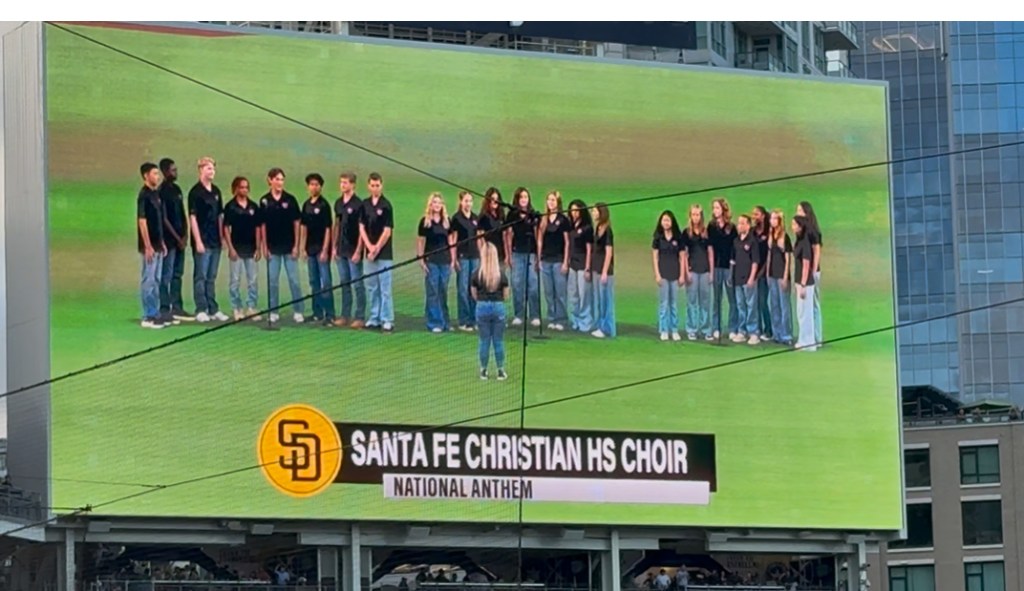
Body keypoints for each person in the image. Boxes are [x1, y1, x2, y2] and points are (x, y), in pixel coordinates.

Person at [260, 167, 305, 324]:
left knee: (294, 280)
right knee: (272, 281)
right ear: (270, 180)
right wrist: (264, 247)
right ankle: (273, 311)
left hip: (289, 247)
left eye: (282, 179)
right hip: (273, 248)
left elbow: (297, 223)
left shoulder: (290, 200)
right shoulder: (264, 201)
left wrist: (296, 246)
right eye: (277, 179)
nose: (280, 182)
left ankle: (298, 310)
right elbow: (263, 225)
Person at [188, 156, 227, 323]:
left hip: (215, 240)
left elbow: (220, 216)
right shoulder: (195, 192)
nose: (212, 171)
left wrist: (223, 237)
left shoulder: (216, 191)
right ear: (201, 170)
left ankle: (213, 308)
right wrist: (198, 241)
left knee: (211, 276)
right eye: (209, 168)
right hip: (202, 240)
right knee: (201, 276)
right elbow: (193, 217)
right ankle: (201, 308)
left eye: (213, 168)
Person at [223, 176, 262, 321]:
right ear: (236, 189)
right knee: (235, 280)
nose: (244, 190)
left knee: (253, 280)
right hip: (236, 248)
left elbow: (258, 227)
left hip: (251, 248)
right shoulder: (230, 207)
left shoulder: (253, 206)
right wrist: (230, 248)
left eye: (246, 187)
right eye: (241, 187)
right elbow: (226, 228)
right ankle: (236, 308)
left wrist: (258, 247)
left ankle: (251, 307)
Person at [360, 172, 395, 332]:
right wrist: (369, 246)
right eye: (372, 185)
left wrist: (376, 248)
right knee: (372, 287)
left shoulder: (386, 205)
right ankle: (374, 317)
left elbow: (387, 231)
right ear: (368, 186)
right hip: (369, 254)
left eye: (378, 185)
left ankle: (387, 318)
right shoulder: (365, 204)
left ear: (381, 186)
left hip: (384, 254)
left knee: (385, 288)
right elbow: (361, 227)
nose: (375, 188)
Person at [158, 158, 190, 323]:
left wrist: (185, 234)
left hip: (180, 240)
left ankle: (177, 307)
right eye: (173, 170)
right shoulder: (162, 191)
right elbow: (164, 218)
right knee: (167, 275)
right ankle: (164, 308)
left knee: (178, 274)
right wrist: (177, 238)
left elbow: (182, 213)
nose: (175, 173)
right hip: (170, 241)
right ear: (165, 172)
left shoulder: (177, 189)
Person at [331, 172, 366, 329]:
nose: (343, 185)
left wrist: (359, 250)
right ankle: (345, 315)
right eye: (341, 182)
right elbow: (336, 225)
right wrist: (334, 247)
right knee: (344, 283)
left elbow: (361, 230)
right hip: (341, 249)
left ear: (353, 185)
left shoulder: (359, 204)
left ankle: (359, 316)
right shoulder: (338, 203)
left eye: (346, 183)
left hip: (353, 249)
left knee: (357, 283)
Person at [301, 173, 336, 325]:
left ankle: (330, 314)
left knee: (326, 282)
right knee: (313, 281)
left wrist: (325, 249)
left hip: (322, 249)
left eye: (316, 184)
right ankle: (317, 312)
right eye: (311, 184)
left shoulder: (324, 205)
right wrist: (302, 247)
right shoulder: (306, 205)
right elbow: (304, 227)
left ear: (320, 187)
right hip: (310, 249)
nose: (314, 187)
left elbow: (329, 228)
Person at [417, 192, 454, 333]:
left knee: (443, 291)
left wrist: (452, 259)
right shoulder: (425, 222)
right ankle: (434, 322)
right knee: (432, 291)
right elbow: (421, 241)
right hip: (431, 260)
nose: (437, 205)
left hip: (445, 260)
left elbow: (450, 241)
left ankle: (445, 321)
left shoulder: (446, 221)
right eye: (434, 202)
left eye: (439, 202)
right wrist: (421, 259)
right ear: (430, 205)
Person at [472, 242, 510, 381]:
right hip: (498, 306)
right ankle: (500, 370)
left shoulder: (477, 274)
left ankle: (483, 370)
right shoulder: (501, 275)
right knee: (498, 340)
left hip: (482, 307)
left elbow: (474, 294)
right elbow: (506, 295)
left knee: (484, 340)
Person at [137, 162, 167, 329]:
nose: (157, 176)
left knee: (156, 279)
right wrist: (147, 246)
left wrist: (161, 242)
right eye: (154, 173)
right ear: (146, 176)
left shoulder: (156, 194)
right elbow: (142, 222)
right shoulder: (144, 195)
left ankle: (155, 313)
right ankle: (148, 316)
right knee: (148, 280)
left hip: (158, 245)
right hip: (149, 246)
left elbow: (158, 220)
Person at [505, 187, 541, 327]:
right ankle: (519, 314)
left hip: (531, 253)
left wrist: (538, 255)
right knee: (517, 284)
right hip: (517, 253)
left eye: (526, 197)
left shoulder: (533, 214)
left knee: (533, 285)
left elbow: (538, 235)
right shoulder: (512, 215)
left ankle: (535, 315)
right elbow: (508, 235)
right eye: (521, 197)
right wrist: (508, 255)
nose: (524, 200)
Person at [537, 190, 570, 331]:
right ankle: (551, 317)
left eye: (553, 200)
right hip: (546, 260)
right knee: (549, 292)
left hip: (558, 260)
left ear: (558, 203)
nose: (550, 202)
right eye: (548, 200)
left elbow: (567, 242)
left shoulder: (563, 220)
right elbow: (539, 240)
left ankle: (561, 319)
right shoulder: (543, 219)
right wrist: (539, 259)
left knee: (560, 292)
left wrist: (565, 261)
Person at [651, 210, 684, 341]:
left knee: (674, 304)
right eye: (663, 220)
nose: (666, 223)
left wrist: (682, 275)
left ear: (672, 222)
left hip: (675, 274)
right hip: (663, 274)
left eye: (668, 220)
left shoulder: (678, 238)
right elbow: (655, 257)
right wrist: (657, 275)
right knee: (664, 303)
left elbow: (682, 257)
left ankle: (674, 330)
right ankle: (664, 329)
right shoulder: (658, 238)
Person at [451, 190, 481, 332]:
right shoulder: (456, 218)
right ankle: (463, 320)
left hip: (474, 256)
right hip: (462, 257)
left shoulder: (475, 218)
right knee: (463, 289)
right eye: (466, 201)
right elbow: (454, 239)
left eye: (470, 201)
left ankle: (473, 319)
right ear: (461, 202)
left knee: (473, 289)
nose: (468, 203)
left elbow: (479, 238)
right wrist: (454, 258)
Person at [708, 197, 738, 340]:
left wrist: (732, 265)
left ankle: (733, 328)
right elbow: (711, 247)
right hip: (716, 266)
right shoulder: (711, 227)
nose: (715, 211)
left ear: (723, 209)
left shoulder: (731, 228)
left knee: (732, 298)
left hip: (728, 266)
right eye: (714, 208)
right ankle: (716, 327)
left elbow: (734, 247)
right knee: (717, 299)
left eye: (717, 208)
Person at [683, 204, 713, 341]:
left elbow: (710, 253)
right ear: (690, 216)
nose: (696, 217)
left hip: (705, 270)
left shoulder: (706, 233)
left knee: (705, 301)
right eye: (693, 214)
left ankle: (706, 329)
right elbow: (684, 254)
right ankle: (692, 329)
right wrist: (686, 272)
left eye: (698, 215)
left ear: (701, 216)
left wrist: (711, 272)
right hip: (692, 271)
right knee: (692, 301)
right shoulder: (686, 233)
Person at [731, 214, 761, 344]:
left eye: (743, 223)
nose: (740, 226)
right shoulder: (736, 241)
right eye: (739, 223)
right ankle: (741, 331)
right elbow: (733, 261)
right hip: (738, 278)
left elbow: (755, 262)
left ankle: (753, 332)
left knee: (751, 305)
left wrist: (752, 277)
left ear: (748, 225)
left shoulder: (752, 241)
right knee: (740, 306)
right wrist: (731, 276)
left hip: (748, 279)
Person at [797, 201, 823, 347]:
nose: (798, 212)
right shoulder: (804, 231)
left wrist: (813, 271)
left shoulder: (812, 231)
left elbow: (816, 251)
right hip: (809, 271)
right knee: (810, 304)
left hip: (813, 271)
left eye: (800, 210)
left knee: (814, 304)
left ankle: (817, 337)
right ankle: (813, 336)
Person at [766, 209, 793, 345]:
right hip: (772, 274)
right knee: (774, 304)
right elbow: (770, 255)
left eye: (775, 218)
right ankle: (776, 334)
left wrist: (785, 276)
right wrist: (767, 272)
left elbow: (788, 259)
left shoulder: (785, 237)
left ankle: (786, 335)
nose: (772, 221)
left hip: (781, 275)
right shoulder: (771, 236)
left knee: (784, 306)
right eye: (771, 219)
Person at [566, 199, 593, 333]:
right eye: (572, 210)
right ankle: (575, 320)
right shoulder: (571, 226)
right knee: (573, 294)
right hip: (573, 264)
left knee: (584, 295)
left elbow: (589, 249)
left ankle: (585, 322)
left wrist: (588, 267)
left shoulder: (587, 228)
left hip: (582, 264)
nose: (574, 213)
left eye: (576, 210)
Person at [792, 214, 817, 352]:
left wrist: (802, 285)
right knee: (801, 312)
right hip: (800, 281)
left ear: (801, 226)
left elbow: (806, 264)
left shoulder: (805, 242)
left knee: (805, 313)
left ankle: (808, 342)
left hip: (805, 283)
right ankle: (803, 340)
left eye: (795, 224)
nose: (793, 226)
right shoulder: (799, 241)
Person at [590, 202, 616, 339]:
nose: (593, 213)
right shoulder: (598, 228)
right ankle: (600, 326)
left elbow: (609, 252)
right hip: (596, 268)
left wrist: (605, 271)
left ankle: (607, 329)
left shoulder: (607, 231)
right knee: (599, 300)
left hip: (604, 270)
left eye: (595, 211)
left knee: (606, 300)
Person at [752, 205, 772, 341]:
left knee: (762, 301)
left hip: (765, 273)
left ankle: (768, 329)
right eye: (753, 214)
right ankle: (756, 328)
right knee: (754, 302)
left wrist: (762, 271)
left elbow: (769, 255)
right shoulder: (752, 232)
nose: (754, 217)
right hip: (753, 272)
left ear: (763, 216)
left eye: (757, 214)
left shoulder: (768, 232)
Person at [477, 187, 506, 267]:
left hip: (500, 254)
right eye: (493, 198)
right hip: (488, 254)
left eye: (497, 199)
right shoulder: (483, 216)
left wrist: (506, 255)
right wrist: (483, 255)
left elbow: (504, 236)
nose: (495, 201)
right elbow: (480, 238)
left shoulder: (501, 216)